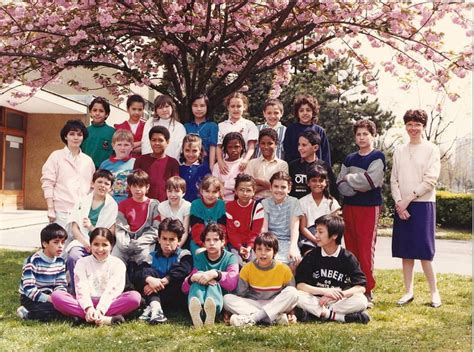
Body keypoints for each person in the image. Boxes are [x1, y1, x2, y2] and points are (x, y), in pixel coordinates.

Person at [390, 109, 442, 308]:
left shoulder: (431, 149)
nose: (413, 128)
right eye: (410, 124)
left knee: (425, 252)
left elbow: (430, 180)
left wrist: (407, 200)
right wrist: (399, 202)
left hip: (423, 205)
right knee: (406, 251)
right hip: (402, 205)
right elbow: (393, 179)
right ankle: (408, 291)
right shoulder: (399, 150)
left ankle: (434, 293)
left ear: (423, 126)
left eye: (417, 124)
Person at [336, 119, 385, 306]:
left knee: (365, 249)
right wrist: (354, 185)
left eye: (366, 134)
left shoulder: (377, 157)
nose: (362, 137)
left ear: (373, 135)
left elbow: (371, 182)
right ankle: (354, 286)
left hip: (369, 207)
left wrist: (351, 178)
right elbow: (340, 184)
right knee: (351, 247)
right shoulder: (349, 159)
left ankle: (367, 288)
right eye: (358, 134)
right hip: (349, 206)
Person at [51, 228, 142, 325]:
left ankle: (86, 317)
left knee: (134, 297)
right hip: (84, 302)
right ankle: (106, 319)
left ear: (111, 246)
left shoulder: (118, 264)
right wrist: (88, 307)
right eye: (96, 244)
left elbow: (113, 290)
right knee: (56, 296)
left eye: (104, 245)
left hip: (110, 302)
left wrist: (100, 309)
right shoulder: (82, 262)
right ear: (90, 245)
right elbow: (81, 287)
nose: (100, 249)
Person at [295, 214, 370, 324]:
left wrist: (340, 295)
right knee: (296, 295)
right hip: (316, 299)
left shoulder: (348, 257)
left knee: (361, 300)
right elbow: (300, 285)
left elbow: (360, 287)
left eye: (320, 232)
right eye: (316, 231)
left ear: (334, 235)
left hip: (337, 301)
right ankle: (339, 317)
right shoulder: (311, 256)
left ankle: (317, 314)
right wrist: (325, 291)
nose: (316, 235)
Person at [223, 232, 299, 326]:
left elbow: (289, 296)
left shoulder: (284, 269)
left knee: (293, 292)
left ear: (274, 252)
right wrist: (230, 310)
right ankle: (274, 318)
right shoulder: (247, 268)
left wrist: (292, 313)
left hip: (276, 303)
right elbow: (240, 295)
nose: (263, 253)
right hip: (255, 303)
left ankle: (252, 318)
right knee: (227, 299)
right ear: (254, 251)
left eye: (267, 250)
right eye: (259, 249)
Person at [64, 169, 118, 294]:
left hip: (101, 244)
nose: (102, 186)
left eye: (106, 183)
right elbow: (74, 227)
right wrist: (85, 244)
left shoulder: (112, 205)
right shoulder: (82, 201)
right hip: (82, 242)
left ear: (110, 188)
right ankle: (76, 291)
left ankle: (95, 293)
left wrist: (91, 228)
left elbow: (109, 233)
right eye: (99, 182)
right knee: (74, 256)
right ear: (93, 183)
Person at [132, 218, 192, 324]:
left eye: (172, 239)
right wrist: (149, 280)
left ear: (178, 240)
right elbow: (138, 273)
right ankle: (156, 309)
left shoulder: (184, 254)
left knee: (180, 278)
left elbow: (185, 269)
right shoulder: (151, 256)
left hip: (176, 296)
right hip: (158, 294)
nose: (167, 243)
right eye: (164, 239)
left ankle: (152, 307)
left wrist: (165, 280)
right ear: (159, 239)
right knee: (146, 273)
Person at [41, 119, 95, 228]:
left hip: (82, 212)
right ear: (65, 136)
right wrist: (50, 208)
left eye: (79, 134)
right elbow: (48, 183)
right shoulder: (56, 156)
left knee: (80, 244)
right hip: (60, 212)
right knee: (61, 244)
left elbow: (92, 187)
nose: (76, 137)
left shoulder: (88, 161)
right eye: (72, 134)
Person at [182, 223, 238, 328]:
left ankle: (211, 311)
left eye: (216, 240)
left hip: (220, 295)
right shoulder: (199, 257)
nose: (211, 243)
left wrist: (215, 274)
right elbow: (184, 288)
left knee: (214, 283)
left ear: (223, 242)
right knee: (196, 279)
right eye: (208, 240)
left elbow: (232, 283)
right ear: (203, 243)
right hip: (202, 294)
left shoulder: (231, 257)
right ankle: (197, 310)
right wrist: (193, 278)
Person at [17, 224, 68, 321]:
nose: (60, 246)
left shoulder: (60, 261)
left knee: (64, 308)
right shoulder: (32, 261)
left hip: (50, 295)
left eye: (63, 242)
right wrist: (50, 299)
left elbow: (61, 284)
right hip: (30, 297)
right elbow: (29, 289)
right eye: (56, 242)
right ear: (45, 244)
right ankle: (26, 313)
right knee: (49, 312)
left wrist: (60, 297)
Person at [113, 169, 160, 265]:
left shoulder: (154, 205)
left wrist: (140, 242)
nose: (137, 189)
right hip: (125, 242)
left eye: (141, 186)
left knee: (146, 257)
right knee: (115, 258)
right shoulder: (123, 205)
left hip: (145, 242)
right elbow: (120, 227)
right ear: (129, 187)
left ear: (147, 187)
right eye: (134, 186)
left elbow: (156, 228)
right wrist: (124, 244)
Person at [261, 171, 303, 269]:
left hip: (288, 241)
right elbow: (264, 229)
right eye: (276, 186)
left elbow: (294, 228)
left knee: (294, 261)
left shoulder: (294, 202)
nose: (279, 190)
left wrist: (293, 247)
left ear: (289, 189)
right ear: (270, 187)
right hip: (270, 241)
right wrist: (266, 247)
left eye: (283, 187)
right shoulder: (265, 203)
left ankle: (289, 284)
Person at [299, 165, 340, 255]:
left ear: (326, 183)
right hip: (309, 239)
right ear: (308, 183)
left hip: (328, 238)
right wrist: (316, 240)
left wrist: (325, 241)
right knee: (310, 255)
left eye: (321, 181)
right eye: (314, 180)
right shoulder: (302, 202)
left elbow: (335, 226)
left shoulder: (331, 202)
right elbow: (303, 228)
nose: (317, 184)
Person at [225, 174, 264, 266]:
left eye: (248, 190)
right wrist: (240, 247)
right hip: (235, 244)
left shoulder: (257, 207)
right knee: (236, 263)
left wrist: (249, 247)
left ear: (254, 192)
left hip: (253, 244)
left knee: (256, 262)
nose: (245, 193)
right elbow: (232, 232)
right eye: (241, 190)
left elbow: (256, 232)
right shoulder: (229, 207)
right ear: (235, 191)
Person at [134, 125, 179, 202]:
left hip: (165, 206)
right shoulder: (140, 160)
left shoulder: (173, 163)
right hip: (142, 204)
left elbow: (175, 187)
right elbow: (134, 184)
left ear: (167, 142)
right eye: (154, 140)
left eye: (160, 140)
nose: (157, 143)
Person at [283, 94, 331, 165]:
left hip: (316, 171)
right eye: (301, 110)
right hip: (295, 171)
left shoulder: (320, 131)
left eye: (308, 110)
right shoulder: (291, 129)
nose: (305, 113)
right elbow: (287, 152)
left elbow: (326, 154)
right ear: (297, 113)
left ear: (313, 112)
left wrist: (326, 171)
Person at [289, 129, 337, 200]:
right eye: (299, 144)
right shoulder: (293, 166)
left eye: (304, 145)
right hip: (297, 209)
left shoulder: (325, 167)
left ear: (315, 147)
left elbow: (333, 192)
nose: (300, 148)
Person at [216, 92, 258, 174]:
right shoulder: (221, 126)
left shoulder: (249, 125)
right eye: (232, 106)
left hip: (243, 165)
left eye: (239, 106)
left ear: (244, 107)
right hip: (226, 165)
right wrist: (220, 162)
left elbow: (251, 146)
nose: (236, 109)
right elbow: (218, 146)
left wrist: (245, 160)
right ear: (228, 107)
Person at [246, 128, 288, 199]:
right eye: (263, 143)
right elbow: (248, 189)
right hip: (256, 202)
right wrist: (271, 185)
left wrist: (258, 181)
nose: (266, 147)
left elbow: (280, 189)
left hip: (275, 202)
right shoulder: (252, 163)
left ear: (276, 144)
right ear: (259, 144)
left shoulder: (282, 165)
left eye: (270, 143)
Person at [189, 175, 226, 255]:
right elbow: (196, 229)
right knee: (199, 254)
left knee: (223, 254)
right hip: (199, 241)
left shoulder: (221, 205)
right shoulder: (196, 204)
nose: (210, 195)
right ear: (202, 191)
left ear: (219, 193)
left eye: (214, 192)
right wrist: (205, 245)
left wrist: (217, 244)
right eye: (207, 191)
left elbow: (223, 228)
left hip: (218, 241)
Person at [141, 94, 186, 160]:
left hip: (170, 163)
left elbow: (179, 150)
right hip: (150, 162)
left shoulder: (179, 127)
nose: (164, 110)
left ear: (172, 107)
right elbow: (145, 143)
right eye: (160, 108)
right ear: (156, 110)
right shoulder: (151, 123)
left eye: (167, 106)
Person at [99, 129, 136, 203]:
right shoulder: (105, 164)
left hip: (129, 204)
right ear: (113, 146)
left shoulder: (136, 163)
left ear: (132, 146)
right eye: (119, 144)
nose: (122, 148)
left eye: (126, 145)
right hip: (109, 203)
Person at [81, 97, 115, 168]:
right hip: (85, 169)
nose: (97, 113)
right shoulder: (84, 131)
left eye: (101, 111)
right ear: (90, 112)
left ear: (106, 114)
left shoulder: (112, 132)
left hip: (105, 172)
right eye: (94, 110)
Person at [184, 95, 218, 168]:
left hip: (206, 164)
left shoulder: (212, 126)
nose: (199, 109)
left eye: (202, 106)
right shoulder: (186, 126)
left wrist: (211, 167)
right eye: (195, 106)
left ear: (207, 107)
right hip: (188, 164)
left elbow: (213, 147)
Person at [158, 176, 191, 248]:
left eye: (176, 191)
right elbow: (164, 229)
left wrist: (177, 246)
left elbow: (185, 232)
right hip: (167, 239)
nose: (173, 195)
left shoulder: (187, 206)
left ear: (183, 193)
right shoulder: (162, 206)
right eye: (170, 191)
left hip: (182, 240)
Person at [212, 132, 245, 202]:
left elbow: (246, 187)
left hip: (240, 202)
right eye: (230, 147)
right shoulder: (217, 166)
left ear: (242, 147)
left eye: (236, 146)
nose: (233, 150)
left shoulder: (245, 164)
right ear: (225, 148)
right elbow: (215, 186)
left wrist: (224, 184)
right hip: (221, 202)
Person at [179, 134, 211, 202]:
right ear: (182, 150)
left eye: (194, 151)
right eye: (187, 150)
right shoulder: (179, 168)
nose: (191, 154)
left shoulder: (204, 168)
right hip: (182, 207)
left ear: (200, 151)